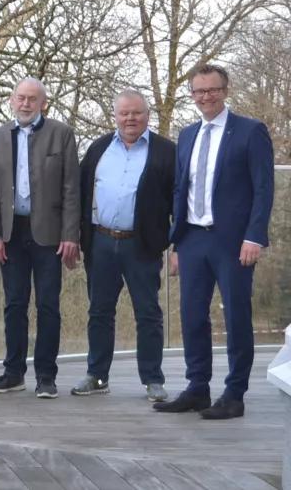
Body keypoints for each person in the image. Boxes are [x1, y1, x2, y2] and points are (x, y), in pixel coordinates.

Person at [155, 64, 273, 420]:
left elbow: (264, 188)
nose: (205, 97)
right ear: (191, 95)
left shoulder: (250, 132)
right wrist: (177, 243)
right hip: (192, 239)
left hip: (234, 242)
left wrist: (255, 235)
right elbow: (181, 190)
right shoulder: (187, 135)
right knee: (192, 316)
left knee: (236, 317)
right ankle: (197, 388)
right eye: (198, 91)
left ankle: (235, 394)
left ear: (225, 90)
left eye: (212, 90)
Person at [73, 89, 175, 402]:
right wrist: (76, 238)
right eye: (124, 113)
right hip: (101, 242)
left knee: (148, 313)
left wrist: (177, 246)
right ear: (115, 116)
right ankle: (97, 375)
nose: (130, 119)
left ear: (147, 115)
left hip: (141, 245)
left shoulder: (166, 151)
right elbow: (80, 194)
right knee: (99, 311)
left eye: (137, 113)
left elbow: (177, 200)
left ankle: (153, 380)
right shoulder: (99, 148)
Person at [0, 77, 80, 399]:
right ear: (12, 100)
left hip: (49, 235)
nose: (25, 104)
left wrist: (70, 234)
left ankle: (46, 377)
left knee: (48, 306)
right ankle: (13, 373)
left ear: (43, 103)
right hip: (11, 234)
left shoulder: (61, 134)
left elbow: (71, 189)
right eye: (20, 98)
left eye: (32, 99)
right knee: (14, 305)